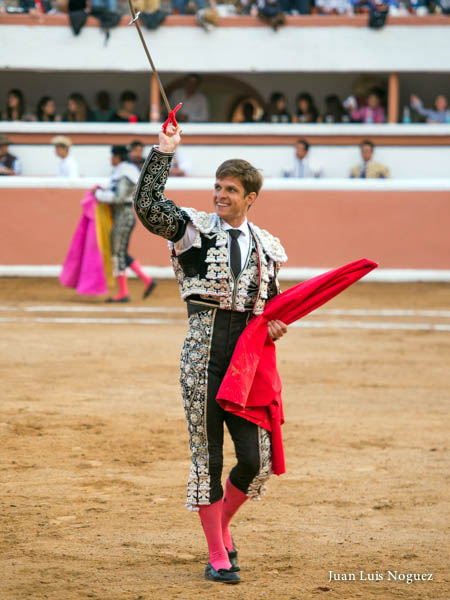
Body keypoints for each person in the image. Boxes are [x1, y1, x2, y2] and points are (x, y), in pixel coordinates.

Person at [133, 122, 288, 584]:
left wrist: (276, 325)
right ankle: (217, 553)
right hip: (203, 355)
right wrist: (164, 151)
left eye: (230, 190)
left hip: (246, 363)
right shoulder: (192, 229)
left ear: (250, 198)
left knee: (255, 461)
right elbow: (147, 205)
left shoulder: (267, 247)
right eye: (218, 187)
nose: (220, 195)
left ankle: (220, 525)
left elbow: (273, 306)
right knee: (208, 458)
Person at [95, 145, 157, 302]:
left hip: (123, 216)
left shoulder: (125, 172)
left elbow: (118, 197)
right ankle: (147, 280)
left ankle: (124, 293)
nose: (110, 159)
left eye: (112, 156)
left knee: (117, 253)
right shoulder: (123, 171)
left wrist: (98, 194)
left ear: (117, 157)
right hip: (123, 215)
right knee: (120, 252)